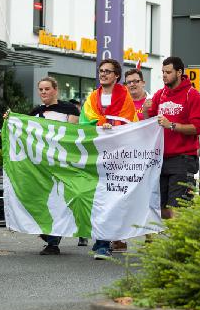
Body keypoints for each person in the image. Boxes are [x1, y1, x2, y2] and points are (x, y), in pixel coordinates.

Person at [81, 59, 138, 259]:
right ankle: (101, 240)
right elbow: (84, 121)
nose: (103, 74)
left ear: (116, 76)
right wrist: (101, 123)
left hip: (117, 157)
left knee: (110, 198)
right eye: (101, 70)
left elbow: (130, 122)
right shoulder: (91, 98)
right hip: (96, 155)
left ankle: (104, 242)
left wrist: (110, 125)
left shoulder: (125, 98)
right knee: (97, 198)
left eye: (108, 71)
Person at [143, 56, 200, 218]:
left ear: (179, 72)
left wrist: (172, 125)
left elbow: (198, 128)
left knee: (177, 208)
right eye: (163, 72)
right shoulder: (160, 94)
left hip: (183, 158)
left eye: (168, 72)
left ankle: (180, 243)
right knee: (161, 209)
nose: (164, 75)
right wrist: (145, 110)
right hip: (161, 159)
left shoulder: (192, 95)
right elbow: (148, 123)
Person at [30, 77, 80, 255]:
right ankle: (50, 235)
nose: (43, 92)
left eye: (47, 89)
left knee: (58, 201)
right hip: (41, 164)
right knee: (42, 200)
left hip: (62, 162)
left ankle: (53, 242)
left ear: (55, 90)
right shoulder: (35, 112)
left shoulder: (70, 109)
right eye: (41, 89)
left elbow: (72, 135)